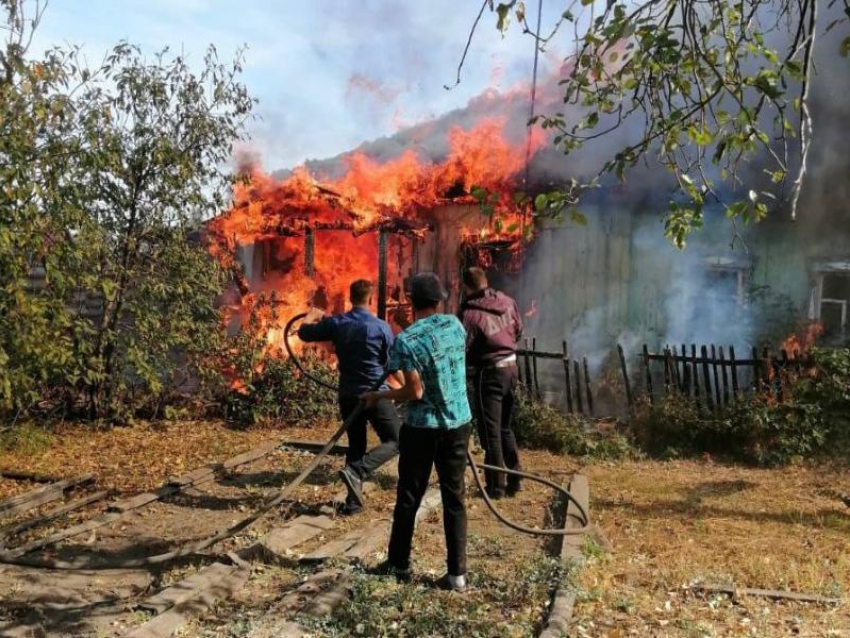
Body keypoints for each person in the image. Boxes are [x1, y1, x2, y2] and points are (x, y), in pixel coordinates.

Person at [361, 272, 472, 592]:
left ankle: (398, 564)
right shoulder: (455, 325)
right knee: (455, 499)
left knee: (409, 496)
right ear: (439, 301)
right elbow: (441, 355)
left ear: (411, 302)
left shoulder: (406, 341)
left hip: (423, 429)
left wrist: (378, 396)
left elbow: (414, 392)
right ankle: (457, 576)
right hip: (459, 423)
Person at [298, 279, 400, 514]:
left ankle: (353, 504)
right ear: (371, 298)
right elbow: (391, 362)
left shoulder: (337, 323)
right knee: (398, 440)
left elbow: (303, 333)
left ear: (350, 298)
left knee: (356, 445)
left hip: (349, 394)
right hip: (375, 393)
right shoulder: (381, 327)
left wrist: (312, 314)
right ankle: (358, 471)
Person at [459, 267, 523, 500]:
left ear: (466, 287)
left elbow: (462, 347)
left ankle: (496, 487)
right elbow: (518, 331)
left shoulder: (470, 314)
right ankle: (515, 479)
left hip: (490, 373)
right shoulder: (508, 301)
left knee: (491, 433)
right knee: (505, 427)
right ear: (486, 282)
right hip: (512, 369)